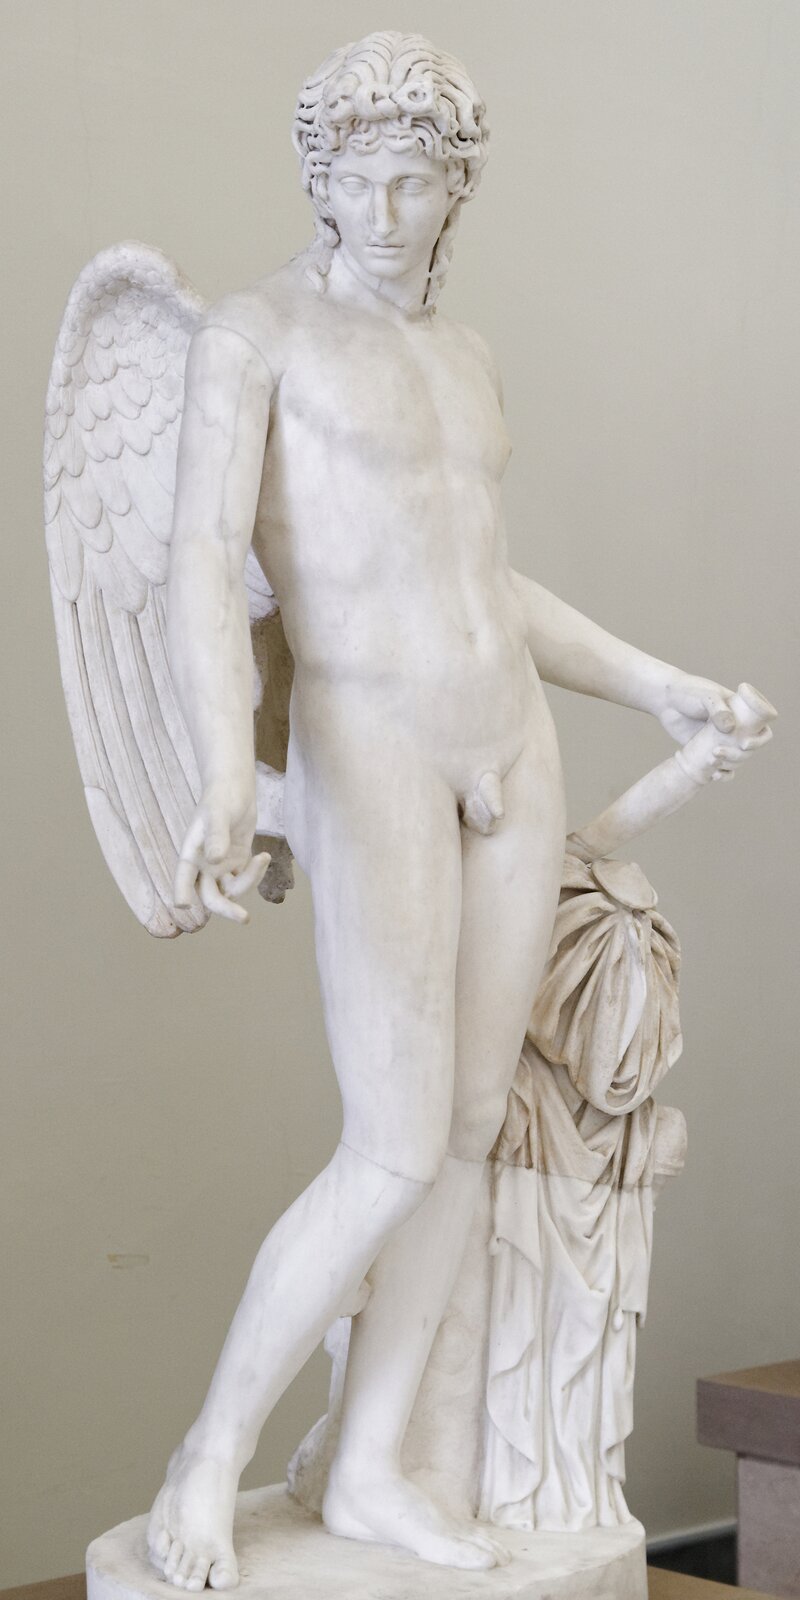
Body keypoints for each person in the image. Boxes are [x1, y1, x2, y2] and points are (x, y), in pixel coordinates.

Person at [147, 31, 748, 1591]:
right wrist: (227, 772)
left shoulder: (464, 353)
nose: (390, 211)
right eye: (363, 181)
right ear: (321, 180)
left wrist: (660, 684)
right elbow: (201, 565)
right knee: (395, 1142)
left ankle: (370, 1465)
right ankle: (207, 1457)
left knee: (471, 1130)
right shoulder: (255, 337)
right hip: (374, 752)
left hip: (508, 747)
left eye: (419, 182)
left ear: (457, 192)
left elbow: (486, 581)